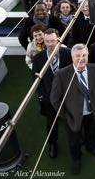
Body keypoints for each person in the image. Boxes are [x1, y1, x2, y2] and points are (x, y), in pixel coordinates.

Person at [51, 44, 95, 174]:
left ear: (88, 56)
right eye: (78, 56)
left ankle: (91, 147)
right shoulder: (61, 74)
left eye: (84, 55)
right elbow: (55, 99)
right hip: (72, 116)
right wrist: (65, 115)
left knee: (91, 132)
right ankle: (76, 159)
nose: (81, 58)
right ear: (72, 57)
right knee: (74, 141)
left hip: (92, 113)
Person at [32, 29, 72, 159]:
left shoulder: (68, 53)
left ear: (58, 39)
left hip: (68, 95)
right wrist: (42, 95)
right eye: (47, 41)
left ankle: (76, 137)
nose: (50, 44)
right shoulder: (38, 58)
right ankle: (53, 143)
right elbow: (35, 79)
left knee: (71, 117)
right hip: (49, 97)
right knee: (51, 121)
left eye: (52, 41)